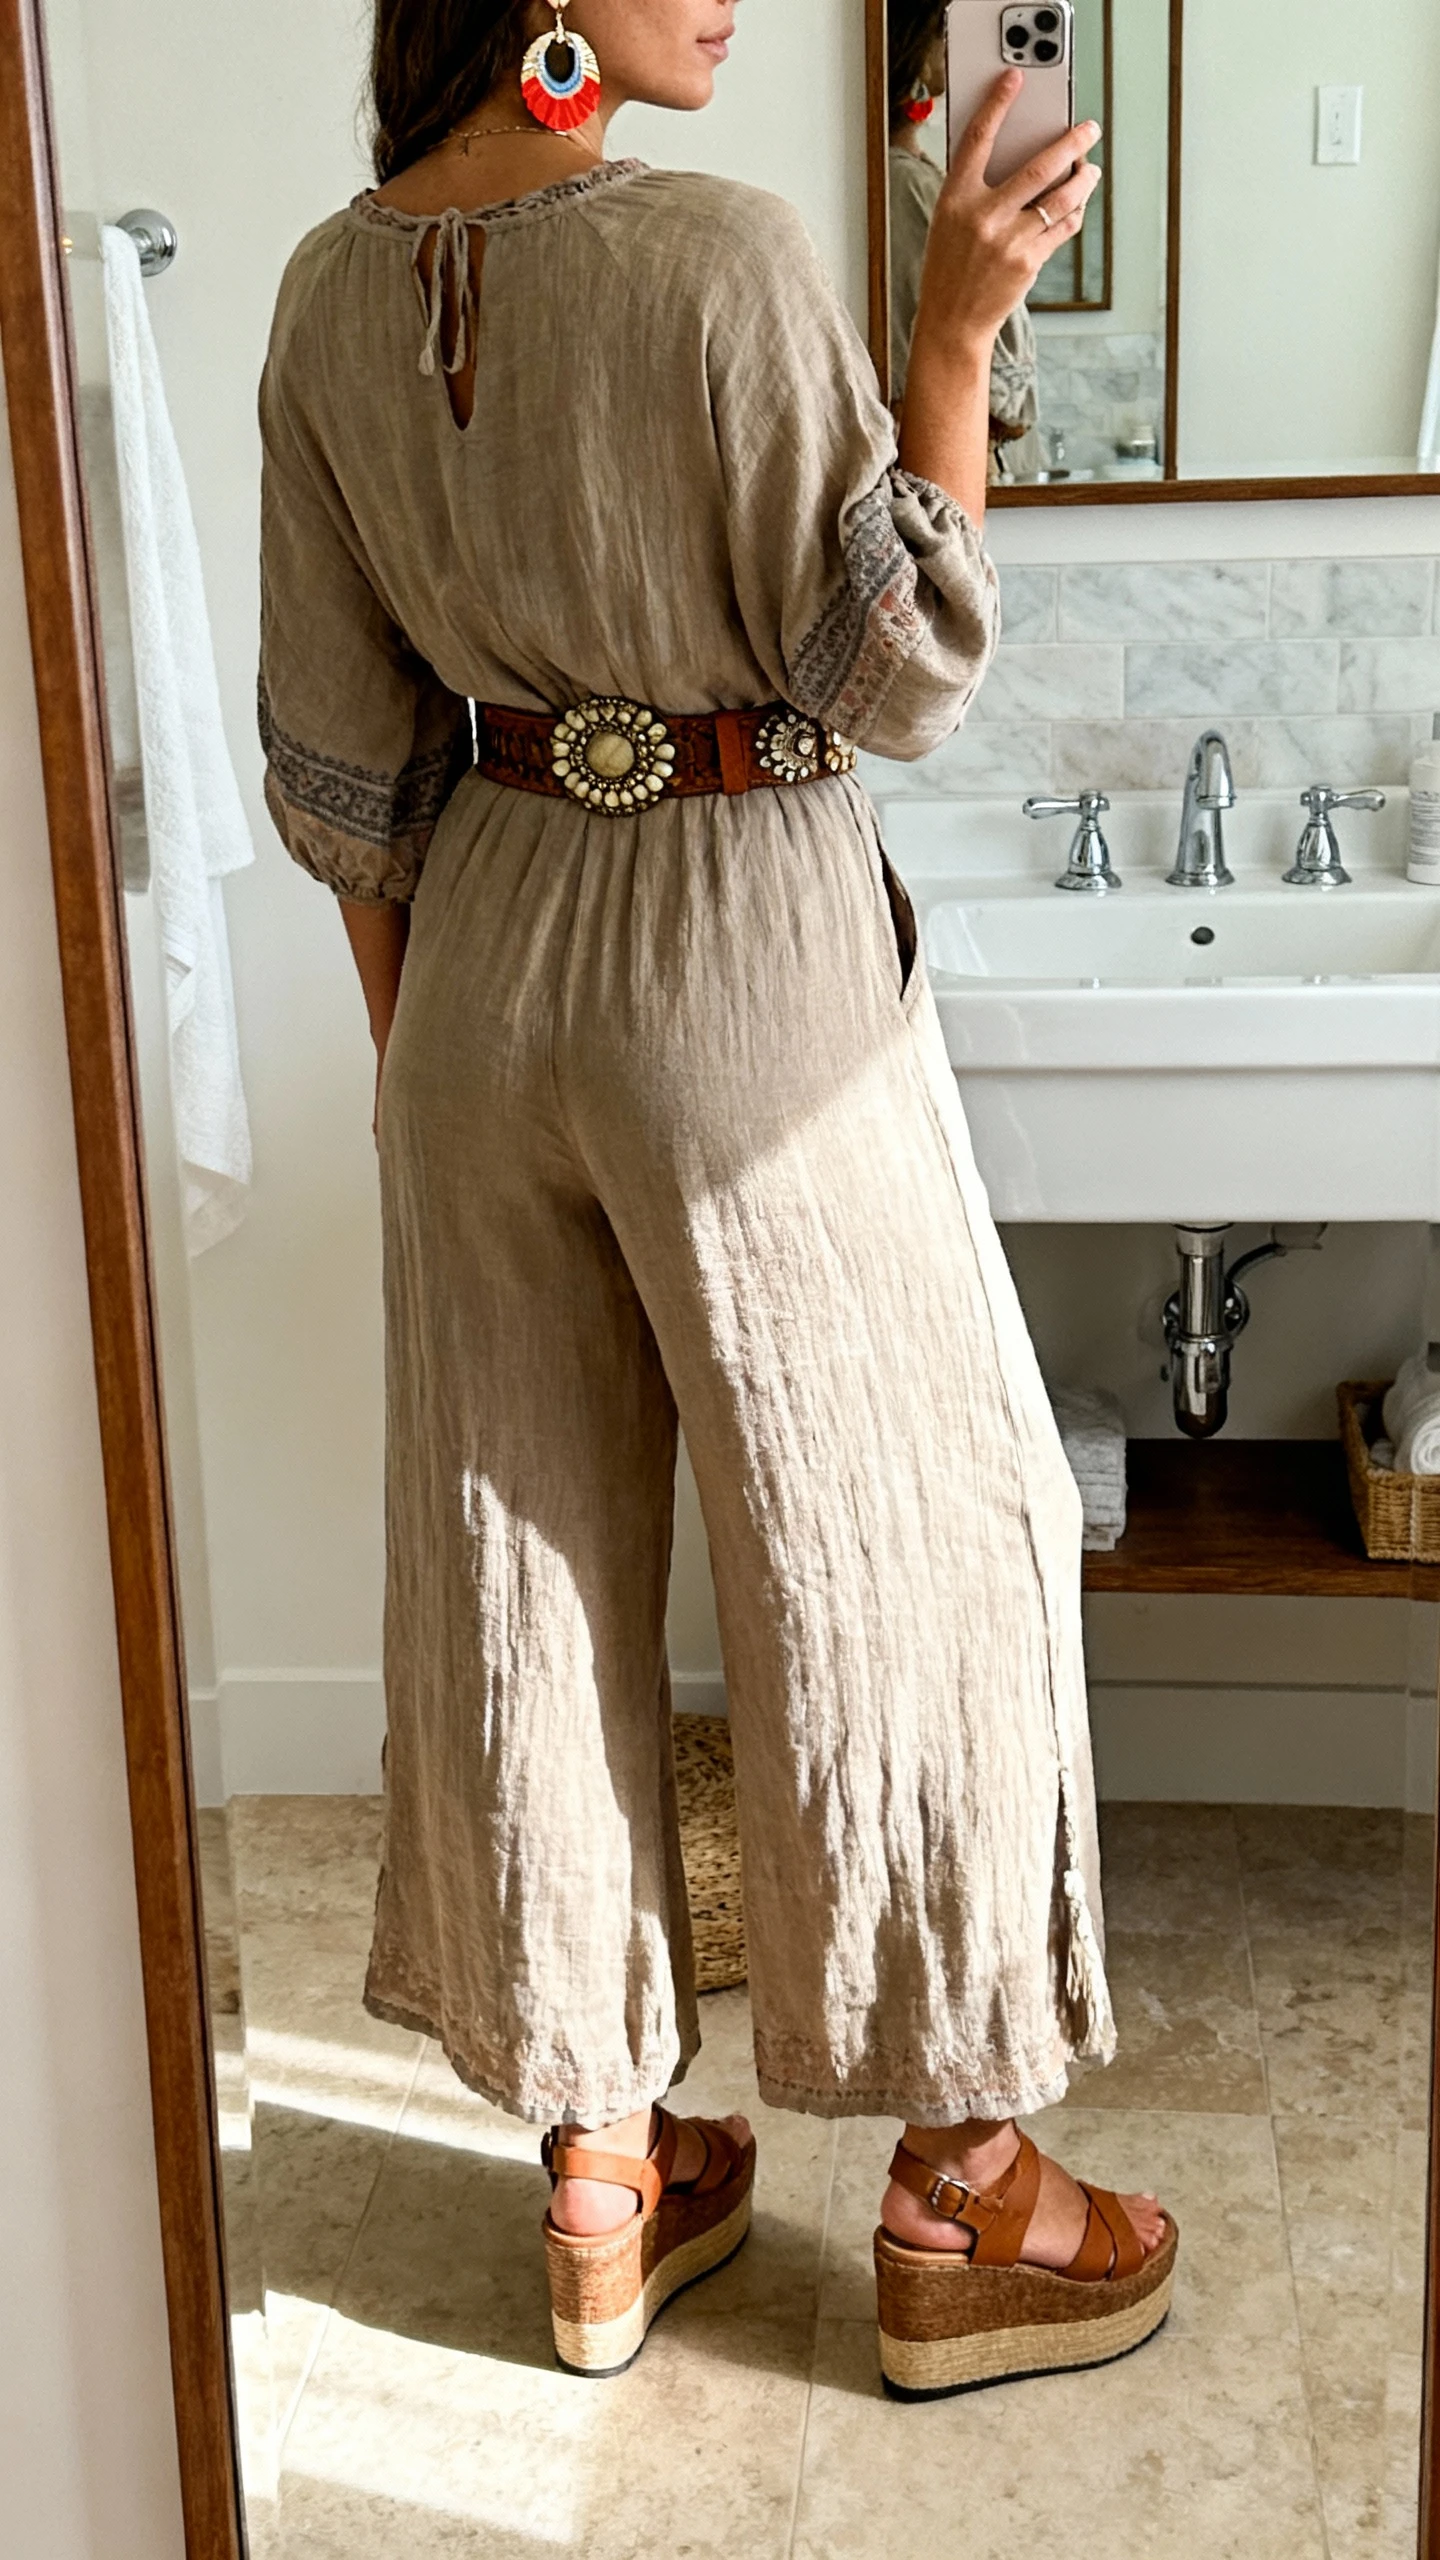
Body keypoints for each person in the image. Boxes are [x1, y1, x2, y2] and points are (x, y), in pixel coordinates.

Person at [257, 0, 1174, 2399]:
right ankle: (966, 2183)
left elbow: (341, 773)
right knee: (907, 1519)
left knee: (520, 1549)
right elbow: (891, 672)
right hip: (736, 945)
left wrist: (444, 1072)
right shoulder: (725, 251)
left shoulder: (329, 285)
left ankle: (598, 2165)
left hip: (472, 972)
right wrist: (952, 333)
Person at [887, 0, 1042, 478]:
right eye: (945, 28)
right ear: (913, 42)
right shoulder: (909, 186)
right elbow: (1003, 400)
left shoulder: (909, 177)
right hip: (955, 457)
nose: (960, 41)